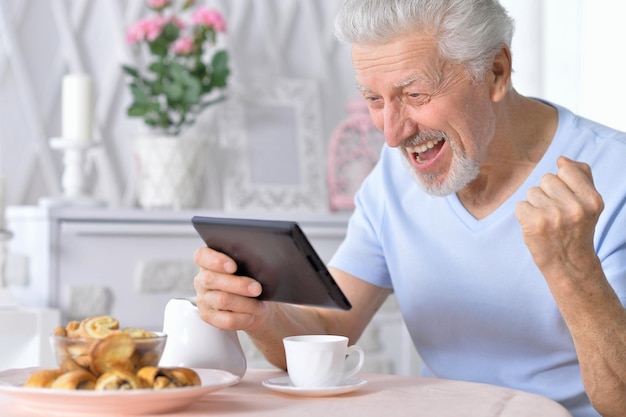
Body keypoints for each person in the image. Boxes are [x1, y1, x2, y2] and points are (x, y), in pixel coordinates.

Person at [193, 1, 626, 416]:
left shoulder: (616, 176)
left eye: (415, 94)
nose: (393, 135)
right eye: (374, 100)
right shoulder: (393, 177)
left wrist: (574, 271)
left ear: (496, 72)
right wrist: (262, 314)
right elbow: (329, 332)